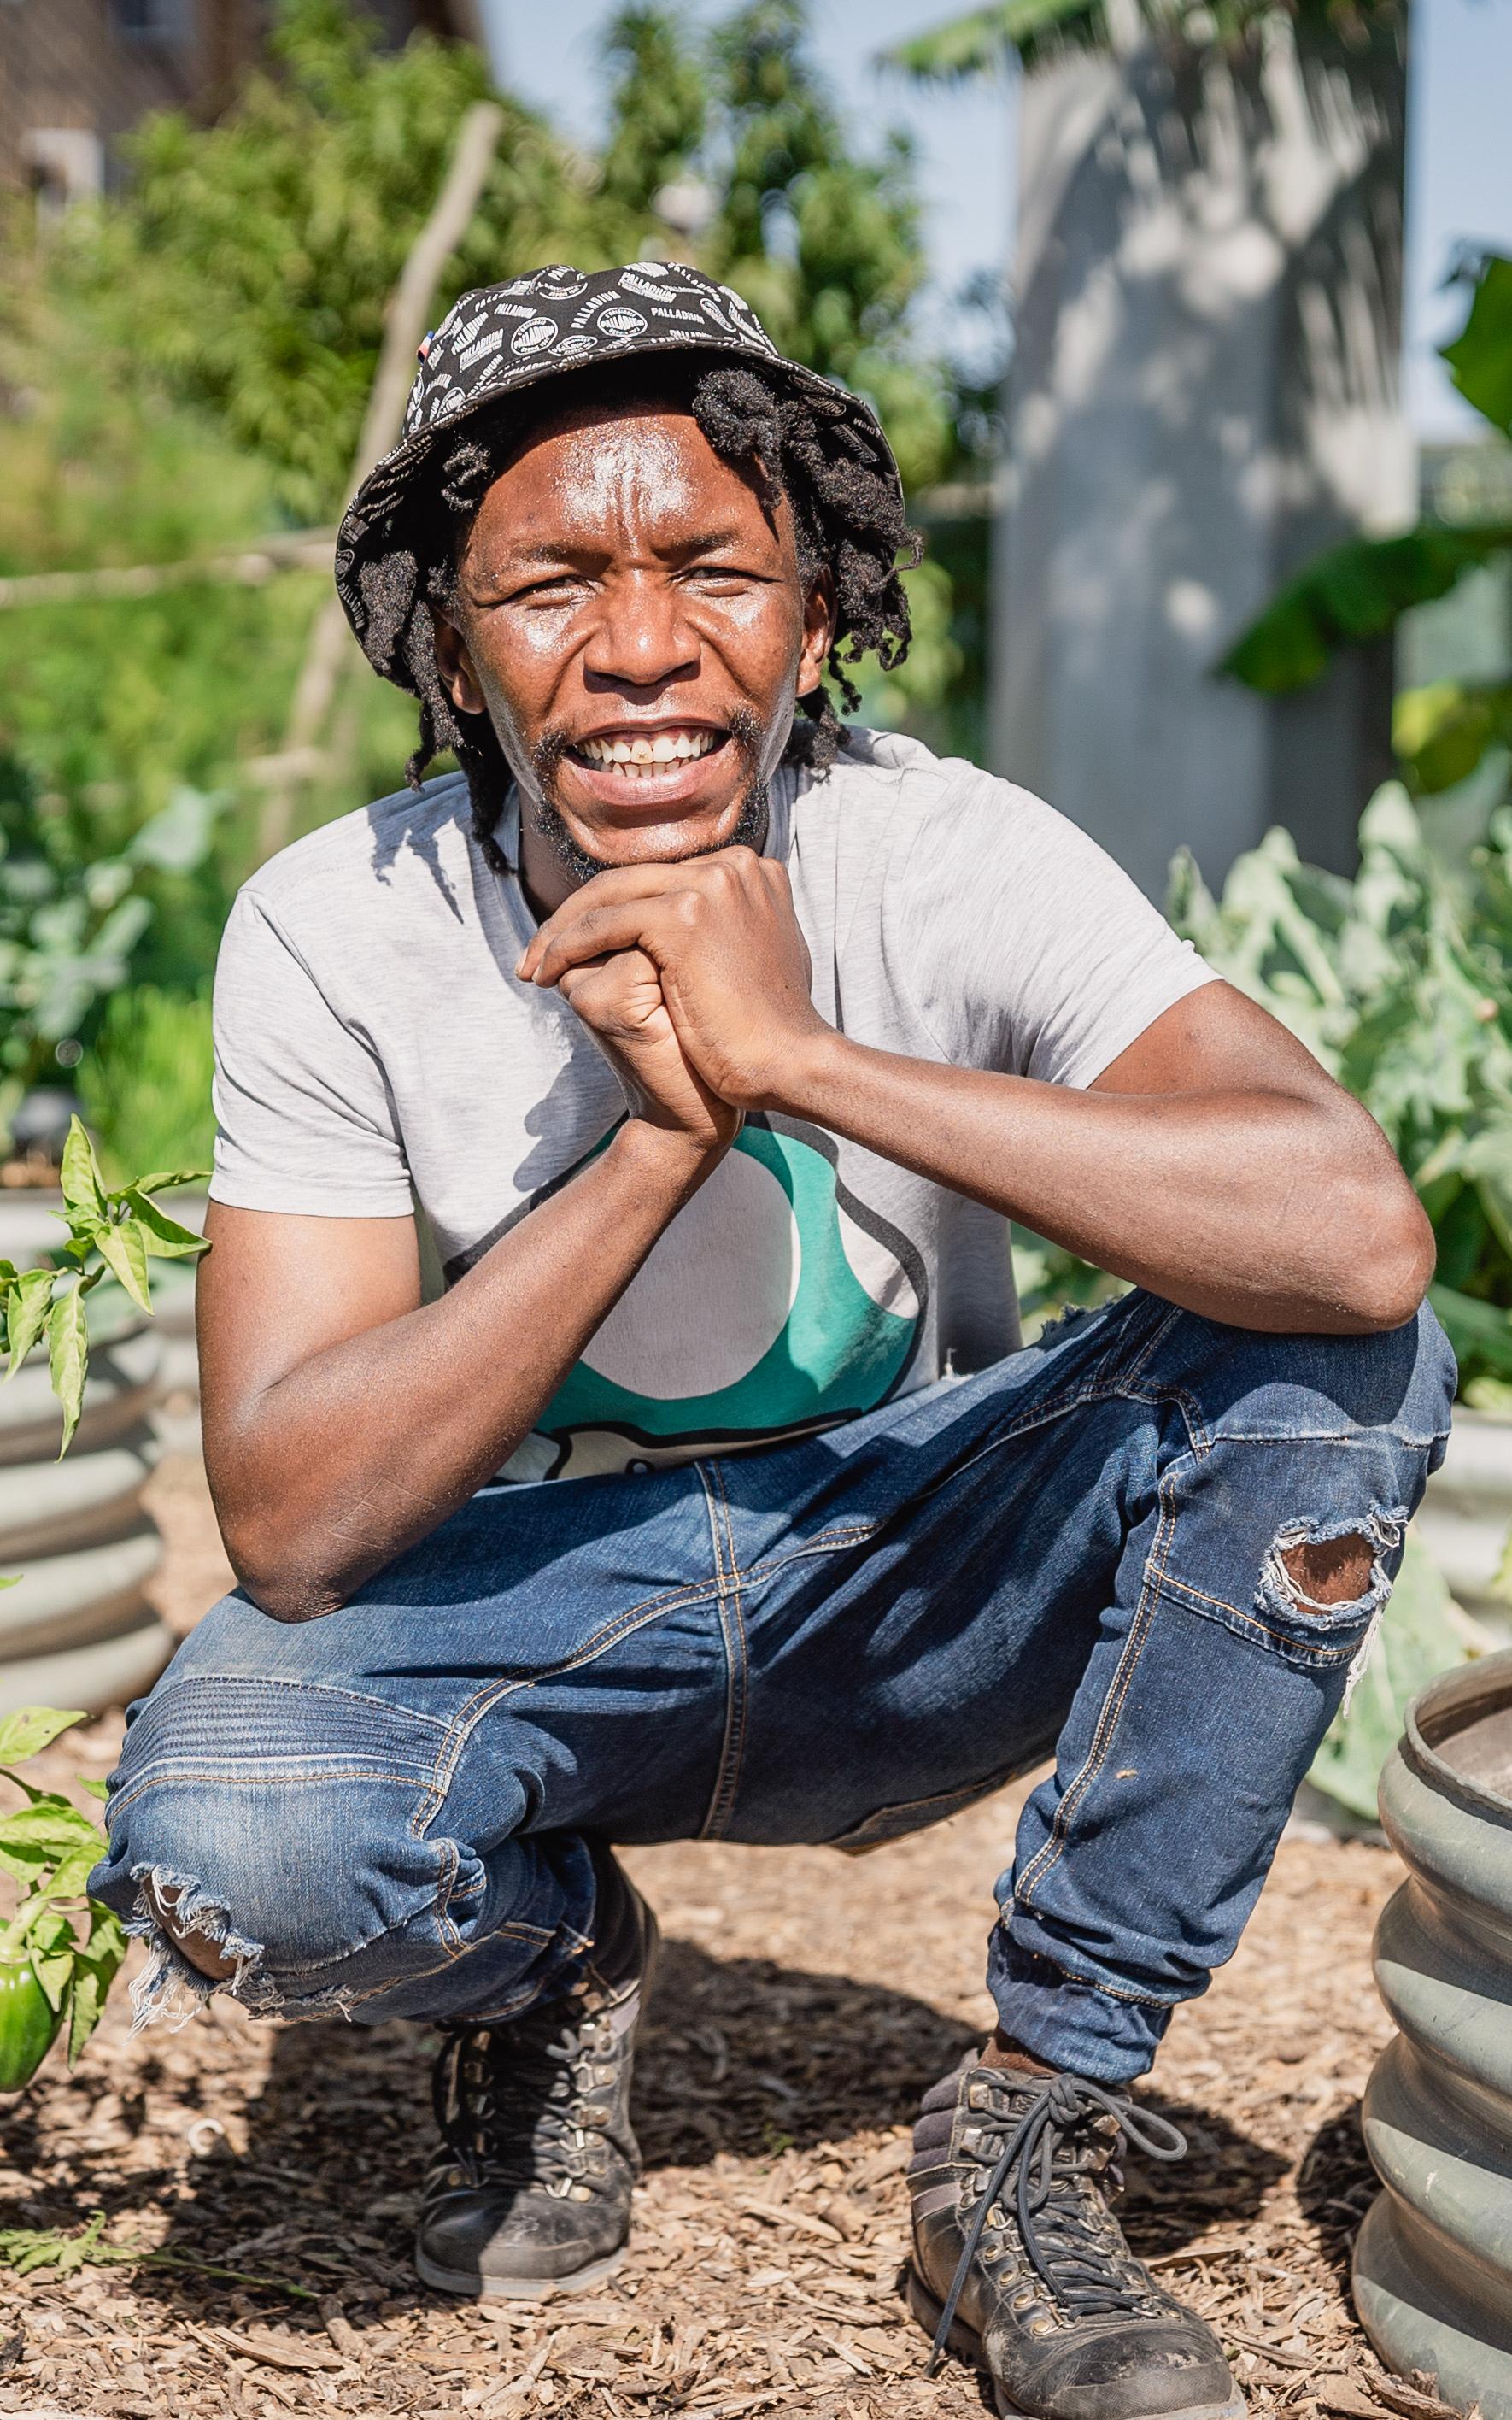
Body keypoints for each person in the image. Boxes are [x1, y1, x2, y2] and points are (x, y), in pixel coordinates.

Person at [91, 264, 1452, 2420]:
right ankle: (550, 1966)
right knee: (229, 1837)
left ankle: (1028, 2120)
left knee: (1339, 1358)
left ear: (812, 619)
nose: (640, 646)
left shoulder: (948, 849)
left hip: (910, 1588)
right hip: (549, 1627)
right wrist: (660, 1134)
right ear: (453, 645)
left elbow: (1356, 1230)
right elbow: (288, 1514)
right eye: (547, 586)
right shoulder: (338, 930)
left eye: (714, 567)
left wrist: (800, 1052)